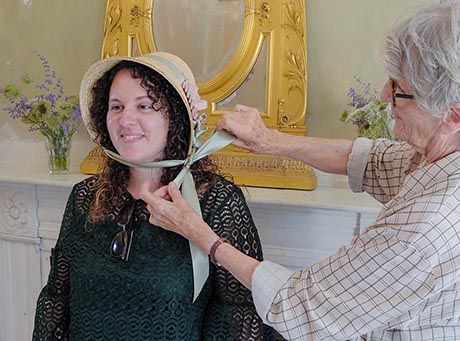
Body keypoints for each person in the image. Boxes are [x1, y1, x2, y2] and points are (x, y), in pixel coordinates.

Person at [139, 1, 460, 340]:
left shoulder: (427, 226)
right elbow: (374, 162)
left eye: (399, 89)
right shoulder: (438, 159)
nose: (384, 94)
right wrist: (271, 141)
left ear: (451, 115)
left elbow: (296, 305)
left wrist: (200, 235)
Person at [33, 52, 283, 340]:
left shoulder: (218, 202)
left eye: (145, 106)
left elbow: (239, 315)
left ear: (176, 117)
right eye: (116, 106)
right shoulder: (84, 197)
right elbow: (56, 299)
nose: (126, 119)